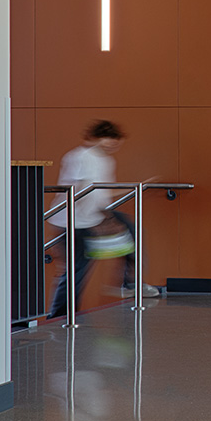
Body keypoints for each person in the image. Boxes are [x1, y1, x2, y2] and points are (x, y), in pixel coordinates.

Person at [48, 120, 158, 318]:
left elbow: (103, 192)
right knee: (76, 271)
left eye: (115, 142)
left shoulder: (107, 161)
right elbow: (82, 189)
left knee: (133, 232)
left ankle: (129, 282)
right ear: (96, 138)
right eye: (107, 140)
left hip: (95, 215)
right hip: (72, 221)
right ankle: (59, 317)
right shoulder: (79, 156)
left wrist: (137, 187)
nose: (111, 145)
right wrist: (102, 219)